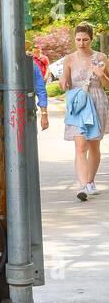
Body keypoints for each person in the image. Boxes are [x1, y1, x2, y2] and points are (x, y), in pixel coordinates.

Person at [58, 22, 109, 201]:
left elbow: (107, 85)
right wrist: (63, 83)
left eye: (85, 39)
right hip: (79, 104)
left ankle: (90, 180)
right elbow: (64, 82)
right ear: (75, 39)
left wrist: (101, 74)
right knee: (80, 146)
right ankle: (83, 187)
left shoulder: (101, 57)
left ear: (92, 39)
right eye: (78, 39)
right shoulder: (69, 59)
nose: (81, 43)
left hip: (97, 101)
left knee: (94, 144)